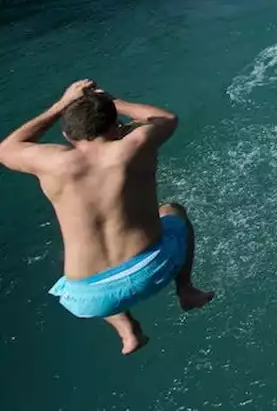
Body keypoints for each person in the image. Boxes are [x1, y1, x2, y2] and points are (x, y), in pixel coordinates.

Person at [0, 81, 214, 355]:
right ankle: (186, 290)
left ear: (67, 135)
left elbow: (6, 149)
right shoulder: (134, 145)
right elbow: (165, 118)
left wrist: (61, 104)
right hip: (155, 269)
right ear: (116, 126)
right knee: (174, 210)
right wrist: (113, 100)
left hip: (88, 299)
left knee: (73, 253)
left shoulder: (51, 162)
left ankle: (127, 331)